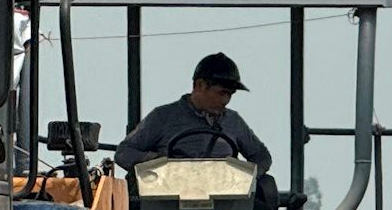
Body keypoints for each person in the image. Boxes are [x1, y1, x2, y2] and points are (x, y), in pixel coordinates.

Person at [116, 52, 276, 186]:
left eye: (230, 94)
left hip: (225, 200)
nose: (226, 100)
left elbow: (262, 157)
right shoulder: (162, 117)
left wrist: (244, 178)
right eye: (221, 93)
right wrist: (161, 163)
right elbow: (124, 153)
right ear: (199, 85)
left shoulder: (233, 121)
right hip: (169, 198)